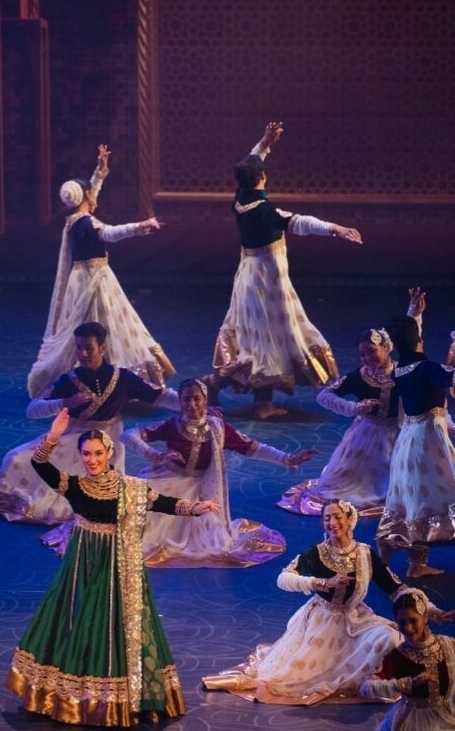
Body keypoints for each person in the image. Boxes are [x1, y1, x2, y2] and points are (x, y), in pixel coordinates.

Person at [6, 409, 219, 727]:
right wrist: (52, 437)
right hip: (83, 564)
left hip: (120, 566)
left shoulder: (130, 488)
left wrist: (195, 508)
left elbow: (161, 502)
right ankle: (73, 695)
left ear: (109, 454)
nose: (92, 460)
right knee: (79, 622)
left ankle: (127, 697)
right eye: (86, 454)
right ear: (80, 456)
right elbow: (39, 465)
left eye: (97, 454)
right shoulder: (74, 486)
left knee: (119, 625)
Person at [201, 499, 436, 705]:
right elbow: (283, 578)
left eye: (337, 517)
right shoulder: (317, 553)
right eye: (327, 518)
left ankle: (377, 680)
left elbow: (396, 589)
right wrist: (319, 583)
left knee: (391, 638)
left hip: (356, 620)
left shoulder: (365, 553)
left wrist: (432, 611)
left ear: (349, 519)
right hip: (323, 622)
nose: (332, 523)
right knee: (298, 675)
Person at [209, 121, 363, 419]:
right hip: (267, 283)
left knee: (259, 339)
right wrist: (336, 228)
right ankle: (258, 401)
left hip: (248, 279)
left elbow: (248, 168)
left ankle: (222, 386)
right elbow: (301, 222)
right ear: (263, 178)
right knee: (268, 339)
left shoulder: (240, 199)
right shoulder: (266, 211)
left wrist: (264, 145)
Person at [0, 321, 180, 527]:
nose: (83, 354)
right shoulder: (69, 379)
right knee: (15, 458)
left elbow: (160, 396)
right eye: (79, 348)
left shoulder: (123, 378)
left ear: (102, 348)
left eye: (89, 348)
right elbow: (32, 410)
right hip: (73, 438)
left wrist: (193, 406)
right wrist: (65, 403)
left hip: (106, 444)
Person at [27, 144, 174, 399]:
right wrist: (142, 226)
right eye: (89, 192)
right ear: (84, 197)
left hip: (83, 279)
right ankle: (106, 383)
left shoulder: (74, 220)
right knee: (105, 325)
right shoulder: (86, 222)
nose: (94, 195)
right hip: (94, 282)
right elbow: (110, 233)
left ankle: (103, 380)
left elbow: (89, 196)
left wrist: (100, 173)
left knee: (101, 326)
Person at [122, 377, 317, 567]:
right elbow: (128, 434)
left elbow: (251, 447)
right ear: (180, 401)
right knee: (142, 512)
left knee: (214, 539)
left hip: (203, 487)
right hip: (171, 479)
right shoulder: (172, 425)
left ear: (205, 400)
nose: (191, 404)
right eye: (186, 399)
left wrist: (287, 458)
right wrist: (154, 455)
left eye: (196, 398)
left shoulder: (217, 427)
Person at [308, 589, 455, 731]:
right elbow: (366, 687)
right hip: (415, 727)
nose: (408, 629)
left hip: (447, 717)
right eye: (401, 622)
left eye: (413, 621)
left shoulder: (448, 646)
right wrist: (404, 684)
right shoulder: (398, 656)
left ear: (425, 617)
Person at [280, 290, 427, 517]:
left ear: (386, 348)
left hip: (399, 434)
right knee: (356, 487)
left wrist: (415, 313)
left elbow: (410, 340)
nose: (367, 359)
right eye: (362, 355)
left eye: (371, 352)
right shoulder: (360, 376)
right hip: (367, 436)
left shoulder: (403, 370)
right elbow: (324, 396)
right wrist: (353, 408)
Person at [376, 313, 455, 578]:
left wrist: (415, 313)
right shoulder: (426, 368)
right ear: (419, 338)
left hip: (409, 440)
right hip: (428, 444)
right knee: (433, 499)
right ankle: (413, 563)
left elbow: (413, 348)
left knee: (414, 501)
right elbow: (448, 380)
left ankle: (412, 564)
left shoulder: (401, 368)